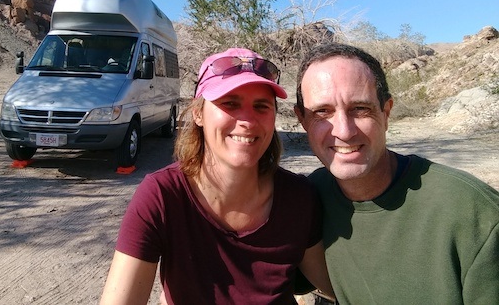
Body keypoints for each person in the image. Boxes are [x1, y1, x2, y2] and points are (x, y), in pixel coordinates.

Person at [100, 47, 334, 304]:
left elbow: (335, 286)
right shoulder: (163, 197)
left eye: (261, 106)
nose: (247, 120)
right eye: (230, 103)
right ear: (198, 113)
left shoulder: (298, 197)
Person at [293, 42, 499, 304]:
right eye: (322, 112)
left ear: (386, 113)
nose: (343, 131)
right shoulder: (305, 199)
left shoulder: (474, 215)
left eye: (360, 109)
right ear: (302, 120)